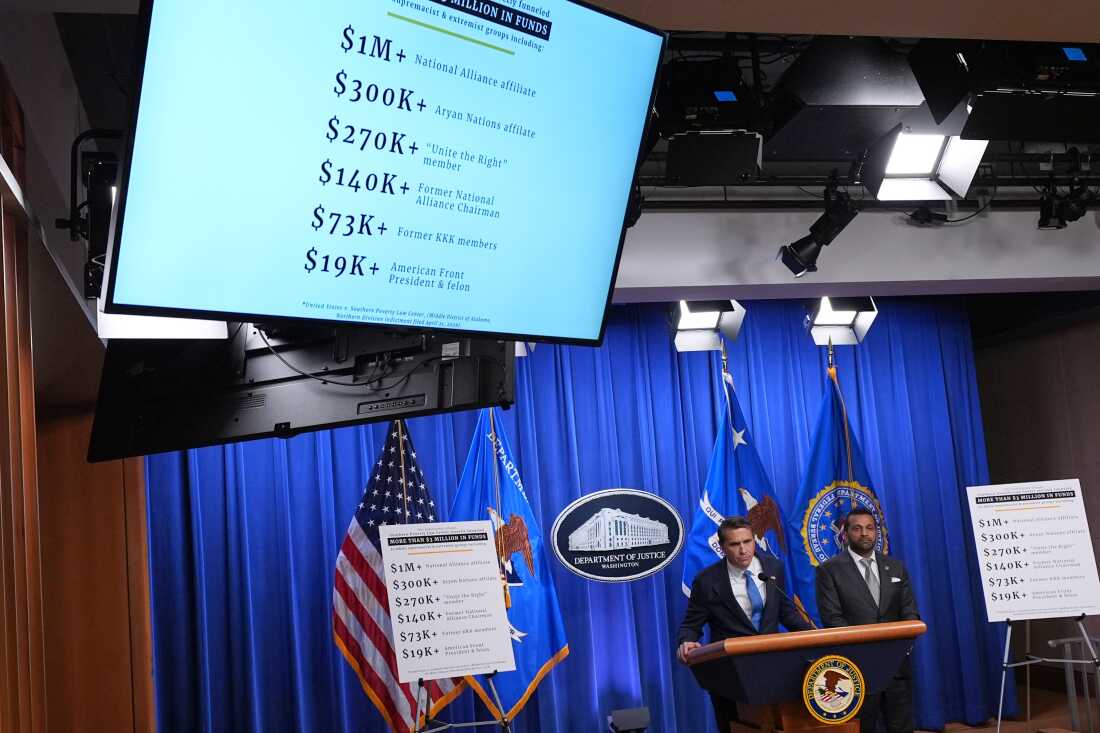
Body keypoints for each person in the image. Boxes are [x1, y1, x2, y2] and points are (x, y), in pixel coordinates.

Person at [677, 516, 813, 732]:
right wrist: (687, 641)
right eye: (734, 544)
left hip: (773, 667)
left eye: (747, 542)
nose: (743, 550)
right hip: (730, 674)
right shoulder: (707, 581)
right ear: (722, 547)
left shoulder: (773, 567)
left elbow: (786, 613)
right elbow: (691, 625)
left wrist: (816, 637)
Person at [815, 508, 920, 733]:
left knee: (901, 726)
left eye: (870, 528)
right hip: (858, 667)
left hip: (896, 664)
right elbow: (832, 619)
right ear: (845, 534)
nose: (865, 534)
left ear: (877, 532)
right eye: (857, 528)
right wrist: (869, 650)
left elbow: (910, 613)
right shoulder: (829, 571)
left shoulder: (895, 567)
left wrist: (900, 648)